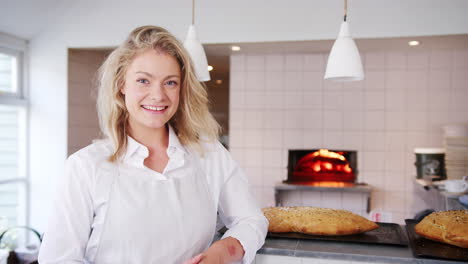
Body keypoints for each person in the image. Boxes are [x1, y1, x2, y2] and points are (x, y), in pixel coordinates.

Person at [38, 25, 268, 264]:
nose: (158, 95)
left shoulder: (210, 155)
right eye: (143, 81)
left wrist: (222, 252)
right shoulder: (84, 167)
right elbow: (58, 259)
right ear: (121, 84)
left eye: (170, 83)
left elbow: (251, 220)